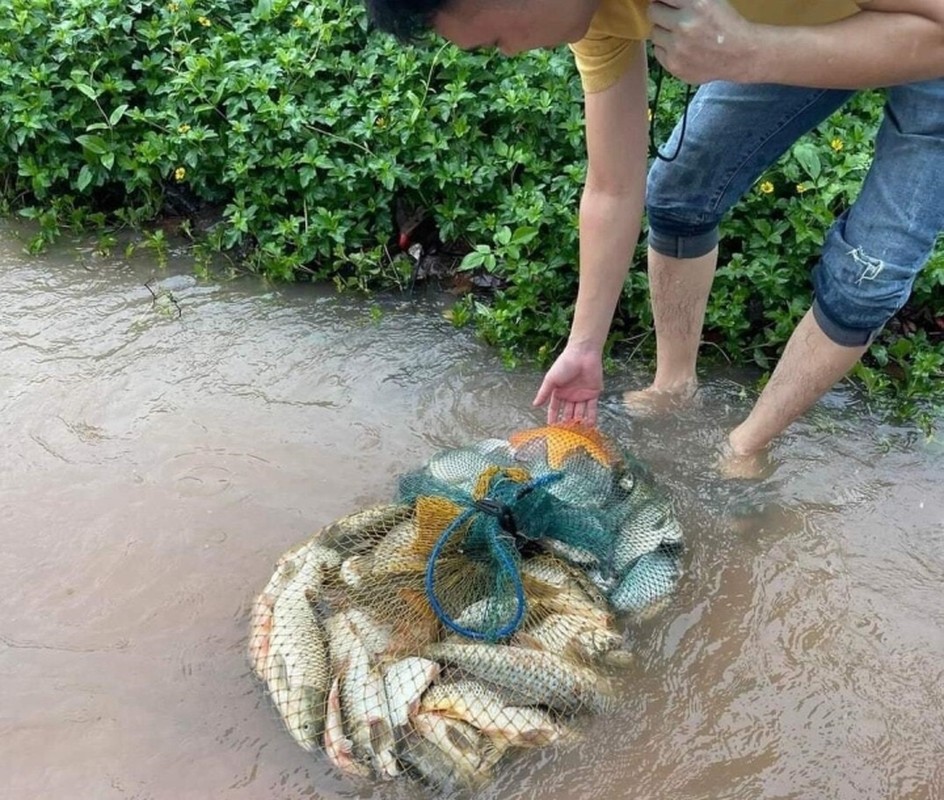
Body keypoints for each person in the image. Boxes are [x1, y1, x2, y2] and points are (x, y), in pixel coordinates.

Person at [365, 0, 944, 470]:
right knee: (679, 192)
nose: (509, 53)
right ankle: (674, 387)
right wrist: (584, 346)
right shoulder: (587, 15)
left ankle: (746, 447)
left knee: (864, 277)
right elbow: (613, 188)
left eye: (493, 42)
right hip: (787, 23)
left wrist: (754, 52)